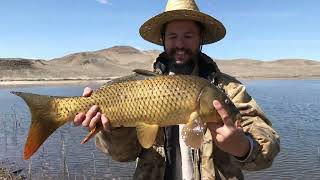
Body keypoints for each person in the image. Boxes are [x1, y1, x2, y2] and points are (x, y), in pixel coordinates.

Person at [73, 0, 280, 179]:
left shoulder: (228, 89)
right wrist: (114, 130)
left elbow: (268, 147)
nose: (180, 44)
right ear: (163, 40)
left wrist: (242, 146)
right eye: (172, 37)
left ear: (201, 39)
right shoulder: (139, 87)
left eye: (188, 36)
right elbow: (121, 155)